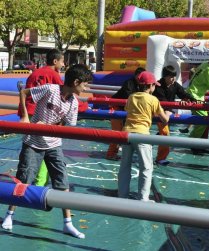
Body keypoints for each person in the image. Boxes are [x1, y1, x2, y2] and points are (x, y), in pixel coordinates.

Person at [1, 64, 93, 238]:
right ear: (75, 82)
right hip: (33, 143)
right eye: (85, 84)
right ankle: (9, 215)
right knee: (23, 180)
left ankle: (68, 223)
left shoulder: (73, 102)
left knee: (62, 182)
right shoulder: (50, 89)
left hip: (53, 144)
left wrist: (49, 126)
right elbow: (24, 92)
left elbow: (66, 125)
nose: (86, 88)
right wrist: (25, 117)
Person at [118, 71, 171, 201]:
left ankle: (122, 195)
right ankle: (143, 198)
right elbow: (164, 120)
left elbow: (128, 110)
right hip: (142, 134)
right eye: (154, 85)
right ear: (151, 85)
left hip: (127, 133)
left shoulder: (131, 97)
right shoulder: (153, 99)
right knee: (146, 167)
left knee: (125, 166)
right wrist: (168, 113)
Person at [18, 49, 65, 187]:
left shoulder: (36, 73)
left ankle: (27, 180)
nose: (63, 65)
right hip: (40, 113)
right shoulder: (54, 75)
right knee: (47, 145)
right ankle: (39, 182)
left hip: (28, 112)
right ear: (55, 61)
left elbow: (25, 93)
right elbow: (63, 93)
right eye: (62, 61)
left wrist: (24, 114)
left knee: (30, 146)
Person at [153, 65, 200, 165]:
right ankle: (160, 158)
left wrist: (193, 101)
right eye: (171, 77)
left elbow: (183, 94)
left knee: (163, 133)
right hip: (158, 111)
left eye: (175, 76)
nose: (173, 78)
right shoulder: (158, 86)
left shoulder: (175, 85)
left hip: (167, 112)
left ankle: (152, 141)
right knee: (165, 134)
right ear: (164, 76)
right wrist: (169, 110)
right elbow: (162, 102)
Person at [106, 67, 146, 160]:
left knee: (124, 131)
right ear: (137, 76)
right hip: (116, 107)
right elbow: (130, 97)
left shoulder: (140, 84)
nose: (143, 78)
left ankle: (117, 151)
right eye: (142, 76)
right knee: (117, 132)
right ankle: (110, 154)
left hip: (124, 109)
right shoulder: (129, 83)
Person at [179, 67, 196, 134]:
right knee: (194, 114)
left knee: (195, 114)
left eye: (191, 74)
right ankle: (188, 128)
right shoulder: (189, 82)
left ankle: (188, 128)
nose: (190, 75)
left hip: (194, 100)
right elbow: (183, 90)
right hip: (191, 99)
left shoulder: (193, 82)